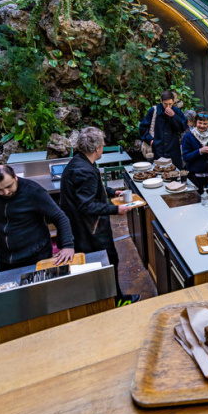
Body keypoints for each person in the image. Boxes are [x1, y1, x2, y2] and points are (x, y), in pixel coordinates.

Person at [59, 127, 139, 306]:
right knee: (108, 260)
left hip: (85, 226)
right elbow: (86, 204)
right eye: (103, 145)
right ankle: (115, 300)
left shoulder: (81, 161)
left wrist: (111, 191)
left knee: (105, 260)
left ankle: (106, 298)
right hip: (89, 228)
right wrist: (115, 209)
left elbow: (91, 191)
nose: (104, 147)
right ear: (96, 148)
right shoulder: (84, 170)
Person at [0, 165, 75, 270]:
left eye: (9, 186)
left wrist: (68, 246)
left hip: (36, 257)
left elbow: (60, 218)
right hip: (5, 258)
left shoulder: (33, 191)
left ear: (15, 177)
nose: (6, 192)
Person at [139, 90, 188, 165]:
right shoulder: (153, 111)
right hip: (157, 150)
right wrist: (151, 141)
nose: (168, 107)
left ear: (173, 102)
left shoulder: (177, 111)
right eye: (165, 104)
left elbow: (182, 128)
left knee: (174, 173)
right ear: (161, 101)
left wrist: (173, 116)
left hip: (173, 150)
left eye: (170, 104)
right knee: (157, 173)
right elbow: (143, 127)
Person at [181, 111, 208, 194]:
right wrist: (200, 151)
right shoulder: (188, 137)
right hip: (195, 176)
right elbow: (186, 157)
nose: (202, 126)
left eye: (205, 123)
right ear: (195, 122)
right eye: (200, 123)